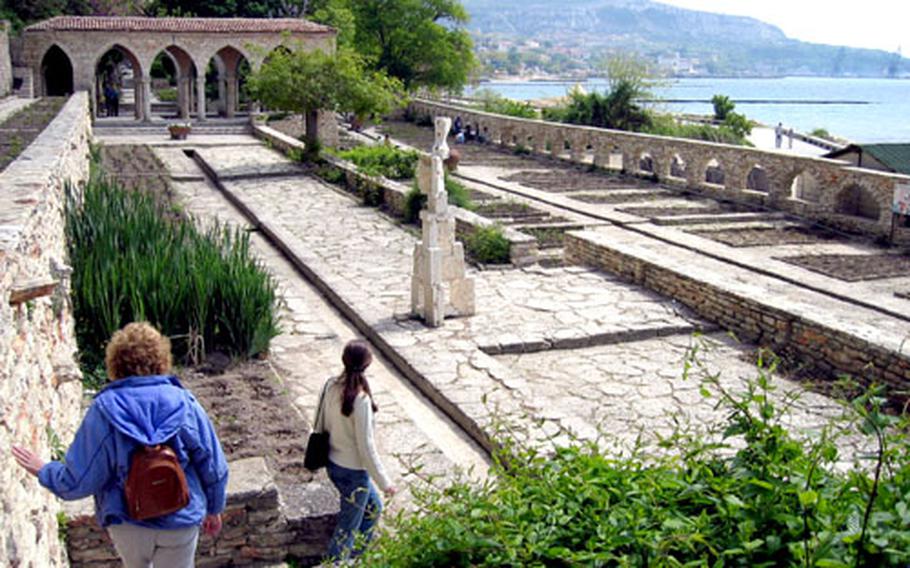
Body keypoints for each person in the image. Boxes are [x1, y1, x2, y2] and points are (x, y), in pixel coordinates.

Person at [12, 322, 228, 568]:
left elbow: (79, 481)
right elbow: (213, 464)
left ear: (115, 363)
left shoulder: (104, 411)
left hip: (128, 522)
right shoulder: (183, 403)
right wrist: (214, 507)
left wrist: (44, 470)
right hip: (180, 518)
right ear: (161, 359)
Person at [319, 339, 396, 562]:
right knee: (347, 528)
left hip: (334, 463)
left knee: (373, 508)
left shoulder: (330, 385)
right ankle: (337, 563)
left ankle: (354, 558)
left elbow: (321, 422)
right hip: (353, 473)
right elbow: (366, 446)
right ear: (367, 364)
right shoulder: (360, 400)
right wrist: (385, 482)